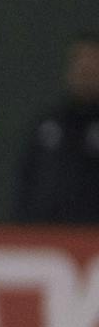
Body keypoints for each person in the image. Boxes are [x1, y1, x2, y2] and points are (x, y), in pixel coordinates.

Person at [15, 31, 99, 223]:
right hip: (47, 237)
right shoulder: (48, 126)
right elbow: (27, 183)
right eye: (79, 61)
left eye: (94, 61)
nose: (85, 69)